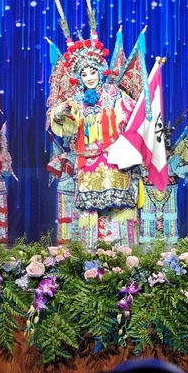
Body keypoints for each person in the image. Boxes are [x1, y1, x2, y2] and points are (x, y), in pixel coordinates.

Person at [49, 34, 138, 248]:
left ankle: (122, 253)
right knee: (89, 211)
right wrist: (62, 111)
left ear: (100, 71)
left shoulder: (114, 94)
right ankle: (90, 254)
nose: (89, 77)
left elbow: (134, 116)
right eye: (84, 74)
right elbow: (62, 123)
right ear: (78, 77)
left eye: (92, 72)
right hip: (87, 163)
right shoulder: (76, 100)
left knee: (119, 208)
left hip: (114, 161)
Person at [139, 124, 188, 245]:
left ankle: (169, 243)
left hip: (169, 190)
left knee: (169, 219)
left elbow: (182, 171)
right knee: (149, 219)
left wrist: (172, 158)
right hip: (149, 190)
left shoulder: (173, 157)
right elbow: (141, 171)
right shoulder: (146, 155)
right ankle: (148, 244)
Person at [47, 135, 79, 245]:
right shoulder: (64, 156)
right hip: (64, 188)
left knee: (77, 215)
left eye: (75, 142)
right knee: (64, 213)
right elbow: (51, 166)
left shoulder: (82, 157)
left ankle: (77, 241)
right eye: (70, 142)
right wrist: (58, 174)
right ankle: (65, 240)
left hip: (78, 189)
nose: (72, 145)